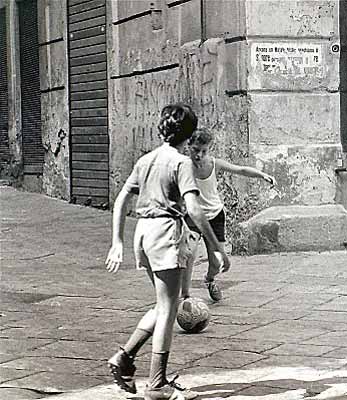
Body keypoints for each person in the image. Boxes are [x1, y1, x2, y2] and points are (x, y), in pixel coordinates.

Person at [104, 103, 230, 400]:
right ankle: (157, 384)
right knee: (168, 310)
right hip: (165, 234)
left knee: (164, 305)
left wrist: (117, 241)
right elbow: (196, 211)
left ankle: (124, 358)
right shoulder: (181, 162)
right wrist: (216, 247)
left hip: (143, 234)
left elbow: (122, 199)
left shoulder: (146, 159)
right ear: (189, 134)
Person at [180, 127, 276, 302]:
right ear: (188, 146)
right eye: (195, 150)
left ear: (209, 149)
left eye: (203, 151)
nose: (199, 155)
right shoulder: (183, 167)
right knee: (189, 253)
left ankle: (209, 279)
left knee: (217, 262)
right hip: (193, 216)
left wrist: (261, 175)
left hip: (215, 216)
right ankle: (185, 295)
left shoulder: (214, 164)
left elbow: (240, 170)